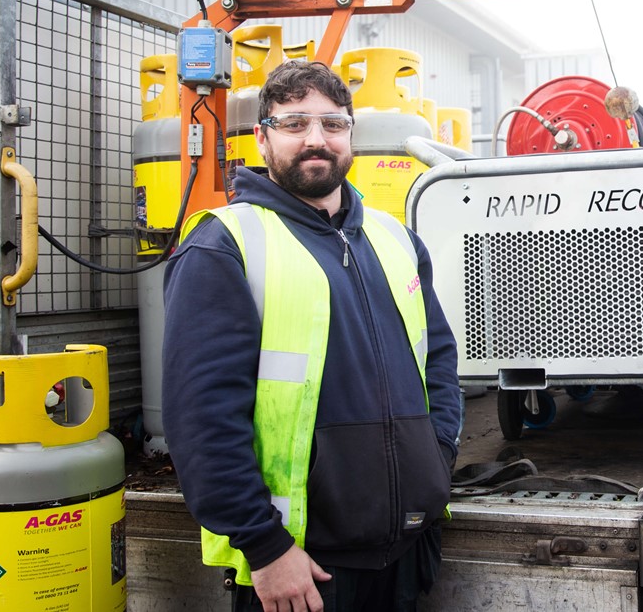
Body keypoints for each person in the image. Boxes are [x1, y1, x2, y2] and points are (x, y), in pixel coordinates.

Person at [162, 60, 461, 612]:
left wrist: (435, 460)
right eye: (294, 124)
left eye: (332, 124)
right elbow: (201, 418)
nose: (316, 140)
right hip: (302, 568)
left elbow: (438, 359)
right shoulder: (225, 246)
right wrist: (265, 547)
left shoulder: (394, 238)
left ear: (351, 134)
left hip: (406, 550)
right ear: (262, 137)